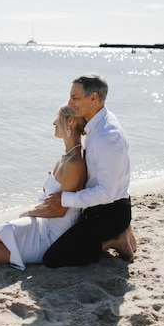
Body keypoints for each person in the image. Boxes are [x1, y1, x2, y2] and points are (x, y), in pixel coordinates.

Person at [0, 105, 87, 270]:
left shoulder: (74, 162)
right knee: (1, 240)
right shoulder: (66, 156)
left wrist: (30, 212)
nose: (54, 123)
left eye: (58, 118)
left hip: (54, 234)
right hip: (45, 221)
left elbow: (61, 211)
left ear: (70, 121)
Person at [42, 74, 136, 267]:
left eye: (75, 98)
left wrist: (64, 198)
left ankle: (116, 240)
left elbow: (106, 193)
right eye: (70, 97)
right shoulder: (97, 123)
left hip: (110, 213)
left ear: (93, 98)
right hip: (97, 208)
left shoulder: (107, 135)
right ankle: (122, 231)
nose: (70, 103)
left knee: (53, 258)